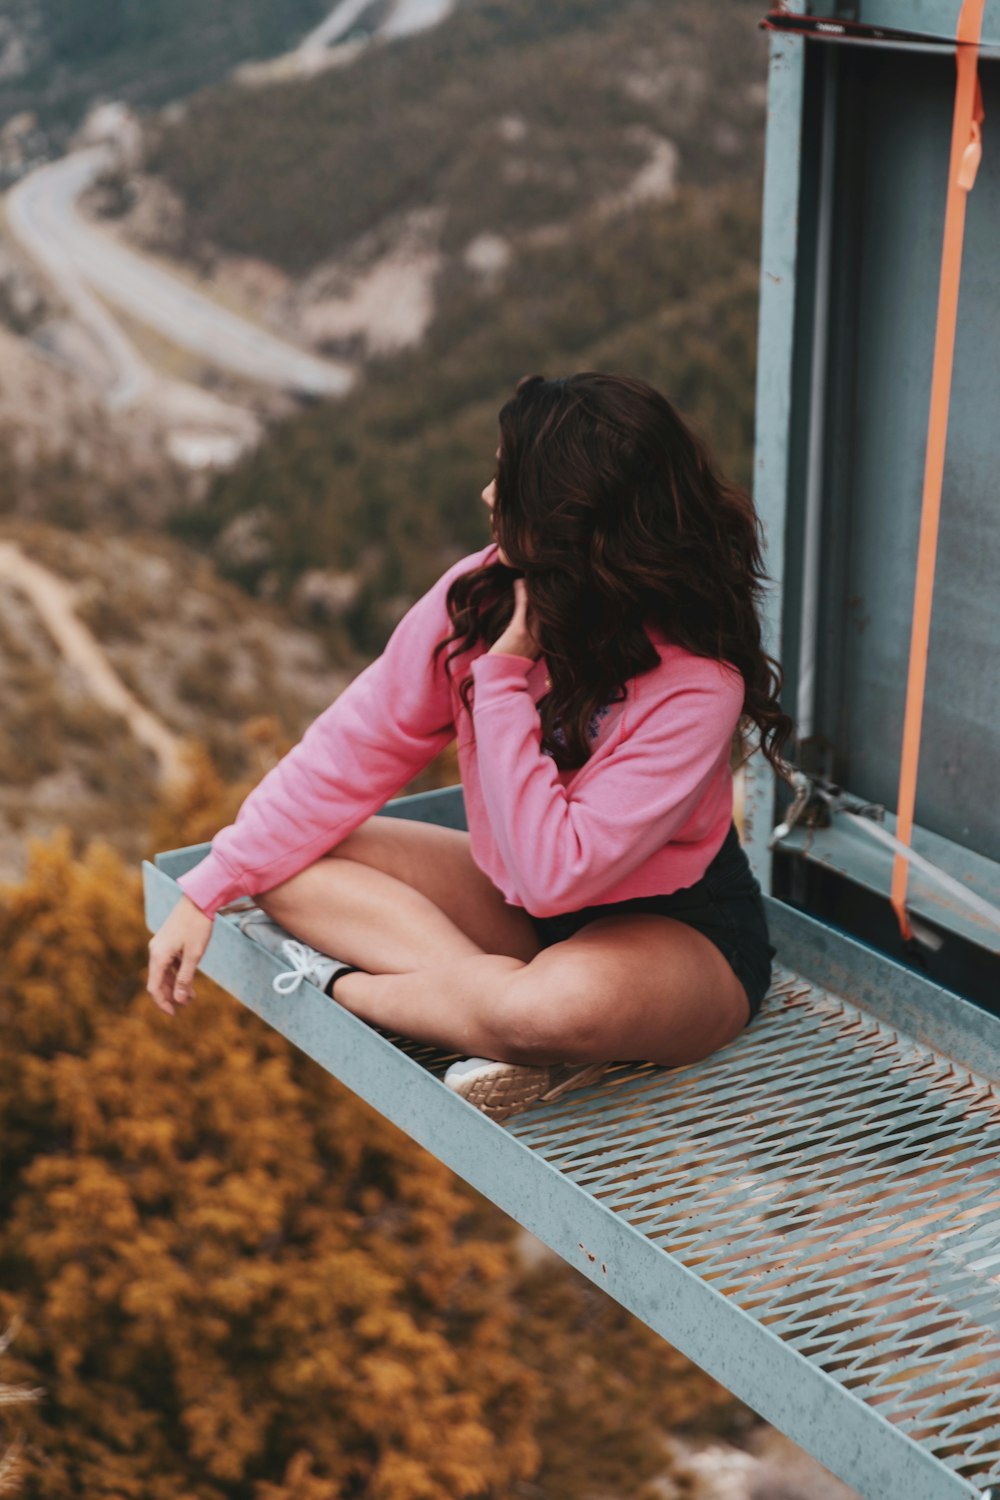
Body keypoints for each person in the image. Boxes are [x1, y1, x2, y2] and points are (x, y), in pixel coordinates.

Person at [147, 372, 794, 1122]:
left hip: (677, 930)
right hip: (517, 908)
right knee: (285, 863)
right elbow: (356, 744)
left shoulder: (698, 683)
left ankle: (365, 992)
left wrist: (504, 678)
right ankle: (492, 1015)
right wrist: (210, 887)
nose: (488, 497)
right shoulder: (478, 597)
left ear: (572, 523)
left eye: (507, 482)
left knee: (554, 1008)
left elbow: (560, 874)